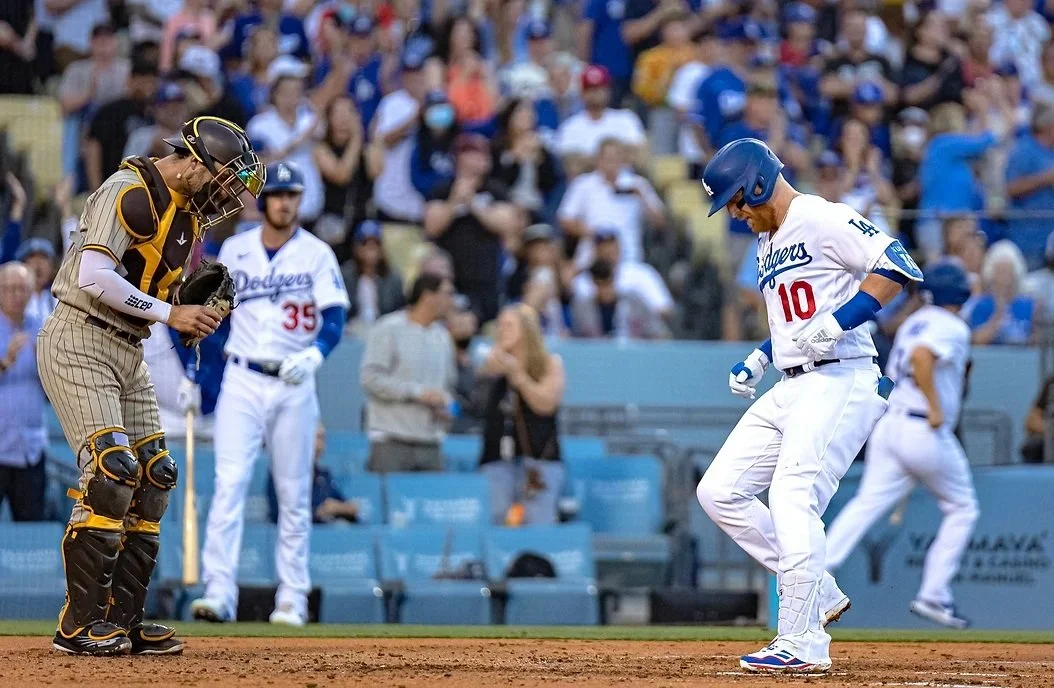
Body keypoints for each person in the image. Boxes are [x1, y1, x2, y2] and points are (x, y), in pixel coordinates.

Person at [38, 116, 264, 655]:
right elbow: (94, 276)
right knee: (112, 470)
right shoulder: (129, 189)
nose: (225, 195)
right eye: (222, 179)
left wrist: (190, 304)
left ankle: (123, 620)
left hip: (129, 347)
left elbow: (148, 286)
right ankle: (79, 625)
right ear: (193, 161)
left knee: (156, 476)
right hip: (80, 335)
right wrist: (170, 313)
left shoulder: (186, 215)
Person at [695, 138, 922, 674]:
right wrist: (760, 356)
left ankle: (802, 640)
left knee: (793, 497)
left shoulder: (820, 216)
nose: (734, 213)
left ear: (756, 183)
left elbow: (899, 266)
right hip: (793, 382)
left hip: (842, 377)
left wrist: (841, 322)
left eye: (735, 200)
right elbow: (796, 322)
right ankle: (817, 588)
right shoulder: (766, 242)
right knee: (719, 492)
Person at [191, 161, 349, 628]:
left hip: (293, 379)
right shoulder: (235, 249)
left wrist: (316, 355)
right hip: (242, 377)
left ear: (300, 200)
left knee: (294, 493)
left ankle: (292, 599)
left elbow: (335, 317)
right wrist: (198, 374)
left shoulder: (316, 253)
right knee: (229, 485)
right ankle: (219, 593)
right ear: (263, 201)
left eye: (291, 194)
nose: (283, 202)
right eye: (277, 194)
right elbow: (213, 314)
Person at [825, 262, 978, 630]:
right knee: (962, 508)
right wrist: (936, 407)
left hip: (890, 424)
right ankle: (934, 595)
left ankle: (817, 569)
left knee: (866, 503)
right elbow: (921, 358)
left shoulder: (914, 320)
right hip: (923, 427)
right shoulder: (951, 325)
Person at [360, 273, 457, 473]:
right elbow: (370, 378)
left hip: (430, 442)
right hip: (391, 439)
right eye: (447, 294)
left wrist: (444, 405)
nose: (452, 301)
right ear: (428, 296)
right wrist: (416, 393)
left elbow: (448, 385)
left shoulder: (443, 337)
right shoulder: (388, 328)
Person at [478, 304, 566, 526]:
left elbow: (545, 405)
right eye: (499, 325)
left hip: (539, 462)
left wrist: (519, 376)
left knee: (538, 525)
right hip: (497, 460)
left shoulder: (549, 364)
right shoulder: (490, 366)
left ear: (526, 329)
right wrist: (490, 371)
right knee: (498, 524)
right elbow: (476, 406)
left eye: (508, 325)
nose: (502, 331)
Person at [424, 133, 521, 325]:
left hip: (486, 275)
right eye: (470, 153)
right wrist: (454, 202)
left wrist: (472, 202)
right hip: (452, 277)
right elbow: (431, 227)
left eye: (481, 154)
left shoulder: (496, 190)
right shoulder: (442, 189)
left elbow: (507, 224)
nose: (477, 159)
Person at [557, 138, 665, 270]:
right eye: (607, 158)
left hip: (629, 257)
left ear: (623, 159)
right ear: (598, 160)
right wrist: (593, 234)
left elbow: (660, 223)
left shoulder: (638, 184)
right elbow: (565, 219)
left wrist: (642, 198)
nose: (611, 163)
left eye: (615, 158)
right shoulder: (583, 184)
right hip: (591, 255)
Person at [246, 57, 325, 225]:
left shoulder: (310, 120)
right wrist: (296, 142)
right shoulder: (259, 124)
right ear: (274, 93)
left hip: (311, 208)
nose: (292, 96)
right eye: (286, 91)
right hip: (275, 211)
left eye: (297, 90)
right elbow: (249, 170)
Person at [0, 263, 47, 522]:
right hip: (1, 446)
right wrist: (6, 361)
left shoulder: (41, 329)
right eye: (10, 289)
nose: (16, 295)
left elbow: (52, 389)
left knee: (32, 529)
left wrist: (46, 363)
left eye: (22, 289)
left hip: (31, 449)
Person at [554, 64, 647, 178]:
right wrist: (616, 157)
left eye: (600, 88)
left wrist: (589, 160)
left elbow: (639, 157)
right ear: (582, 93)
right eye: (591, 89)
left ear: (608, 90)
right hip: (586, 185)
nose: (596, 93)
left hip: (625, 182)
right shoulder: (570, 126)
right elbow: (571, 166)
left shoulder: (625, 118)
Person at [83, 60, 159, 192]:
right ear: (131, 80)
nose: (148, 87)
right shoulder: (111, 111)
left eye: (151, 82)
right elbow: (94, 147)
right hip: (110, 182)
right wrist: (96, 189)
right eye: (143, 81)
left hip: (142, 188)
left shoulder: (155, 114)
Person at [313, 94, 369, 259]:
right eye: (338, 113)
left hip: (361, 221)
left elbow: (377, 170)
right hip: (331, 222)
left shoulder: (365, 148)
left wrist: (372, 138)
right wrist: (356, 138)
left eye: (349, 112)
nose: (344, 119)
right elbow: (341, 175)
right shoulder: (321, 148)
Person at [266, 423, 358, 524]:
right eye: (317, 438)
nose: (320, 445)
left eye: (323, 439)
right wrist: (320, 512)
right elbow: (279, 513)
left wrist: (341, 508)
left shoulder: (324, 476)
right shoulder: (281, 474)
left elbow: (345, 505)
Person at [1005, 105, 1054, 270]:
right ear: (1049, 126)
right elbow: (1011, 188)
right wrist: (1044, 179)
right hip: (1028, 240)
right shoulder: (1023, 150)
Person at [966, 239, 1035, 345]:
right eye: (1000, 272)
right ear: (991, 275)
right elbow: (976, 341)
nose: (1004, 279)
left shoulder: (1029, 305)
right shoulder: (982, 305)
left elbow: (1037, 341)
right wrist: (997, 318)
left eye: (1008, 272)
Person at [341, 220, 406, 330]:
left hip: (384, 329)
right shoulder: (345, 274)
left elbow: (399, 309)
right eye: (365, 244)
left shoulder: (393, 277)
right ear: (356, 248)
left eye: (375, 244)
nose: (371, 248)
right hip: (351, 329)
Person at [14, 238, 57, 323]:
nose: (38, 265)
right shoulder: (12, 298)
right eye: (32, 259)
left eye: (44, 259)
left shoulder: (58, 298)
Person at [1022, 373, 1054, 463]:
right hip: (1050, 435)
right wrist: (1049, 430)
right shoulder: (1052, 382)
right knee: (1033, 447)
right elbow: (1031, 421)